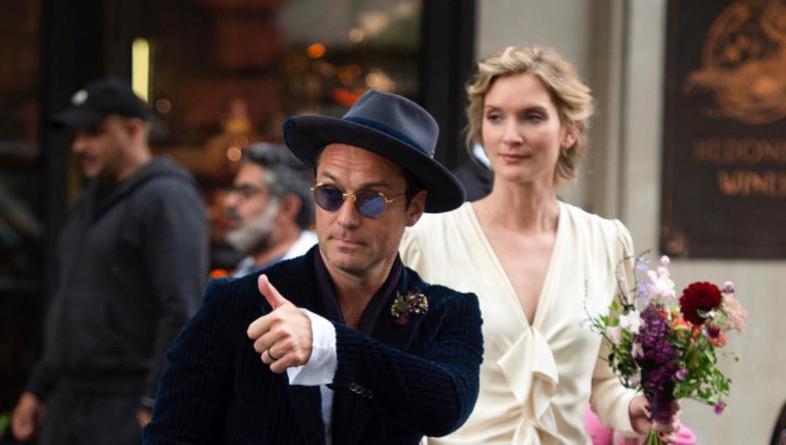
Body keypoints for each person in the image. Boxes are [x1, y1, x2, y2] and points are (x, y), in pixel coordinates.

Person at [143, 89, 484, 444]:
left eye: (372, 200)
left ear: (413, 208)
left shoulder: (447, 311)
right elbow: (172, 436)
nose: (346, 218)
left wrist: (327, 347)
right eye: (330, 194)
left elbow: (447, 405)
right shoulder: (235, 302)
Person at [400, 45, 679, 444]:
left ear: (569, 131)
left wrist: (632, 408)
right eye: (495, 117)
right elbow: (399, 379)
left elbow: (607, 381)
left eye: (532, 117)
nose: (510, 136)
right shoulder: (427, 240)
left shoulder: (606, 242)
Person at [10, 78, 209, 445]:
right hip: (68, 404)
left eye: (94, 133)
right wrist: (38, 388)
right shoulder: (87, 202)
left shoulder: (167, 198)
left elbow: (182, 308)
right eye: (77, 135)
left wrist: (155, 399)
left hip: (125, 406)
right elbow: (68, 306)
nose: (80, 146)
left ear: (134, 130)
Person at [224, 142, 317, 277]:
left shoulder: (320, 273)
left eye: (247, 192)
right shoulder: (244, 270)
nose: (230, 202)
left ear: (287, 208)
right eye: (234, 191)